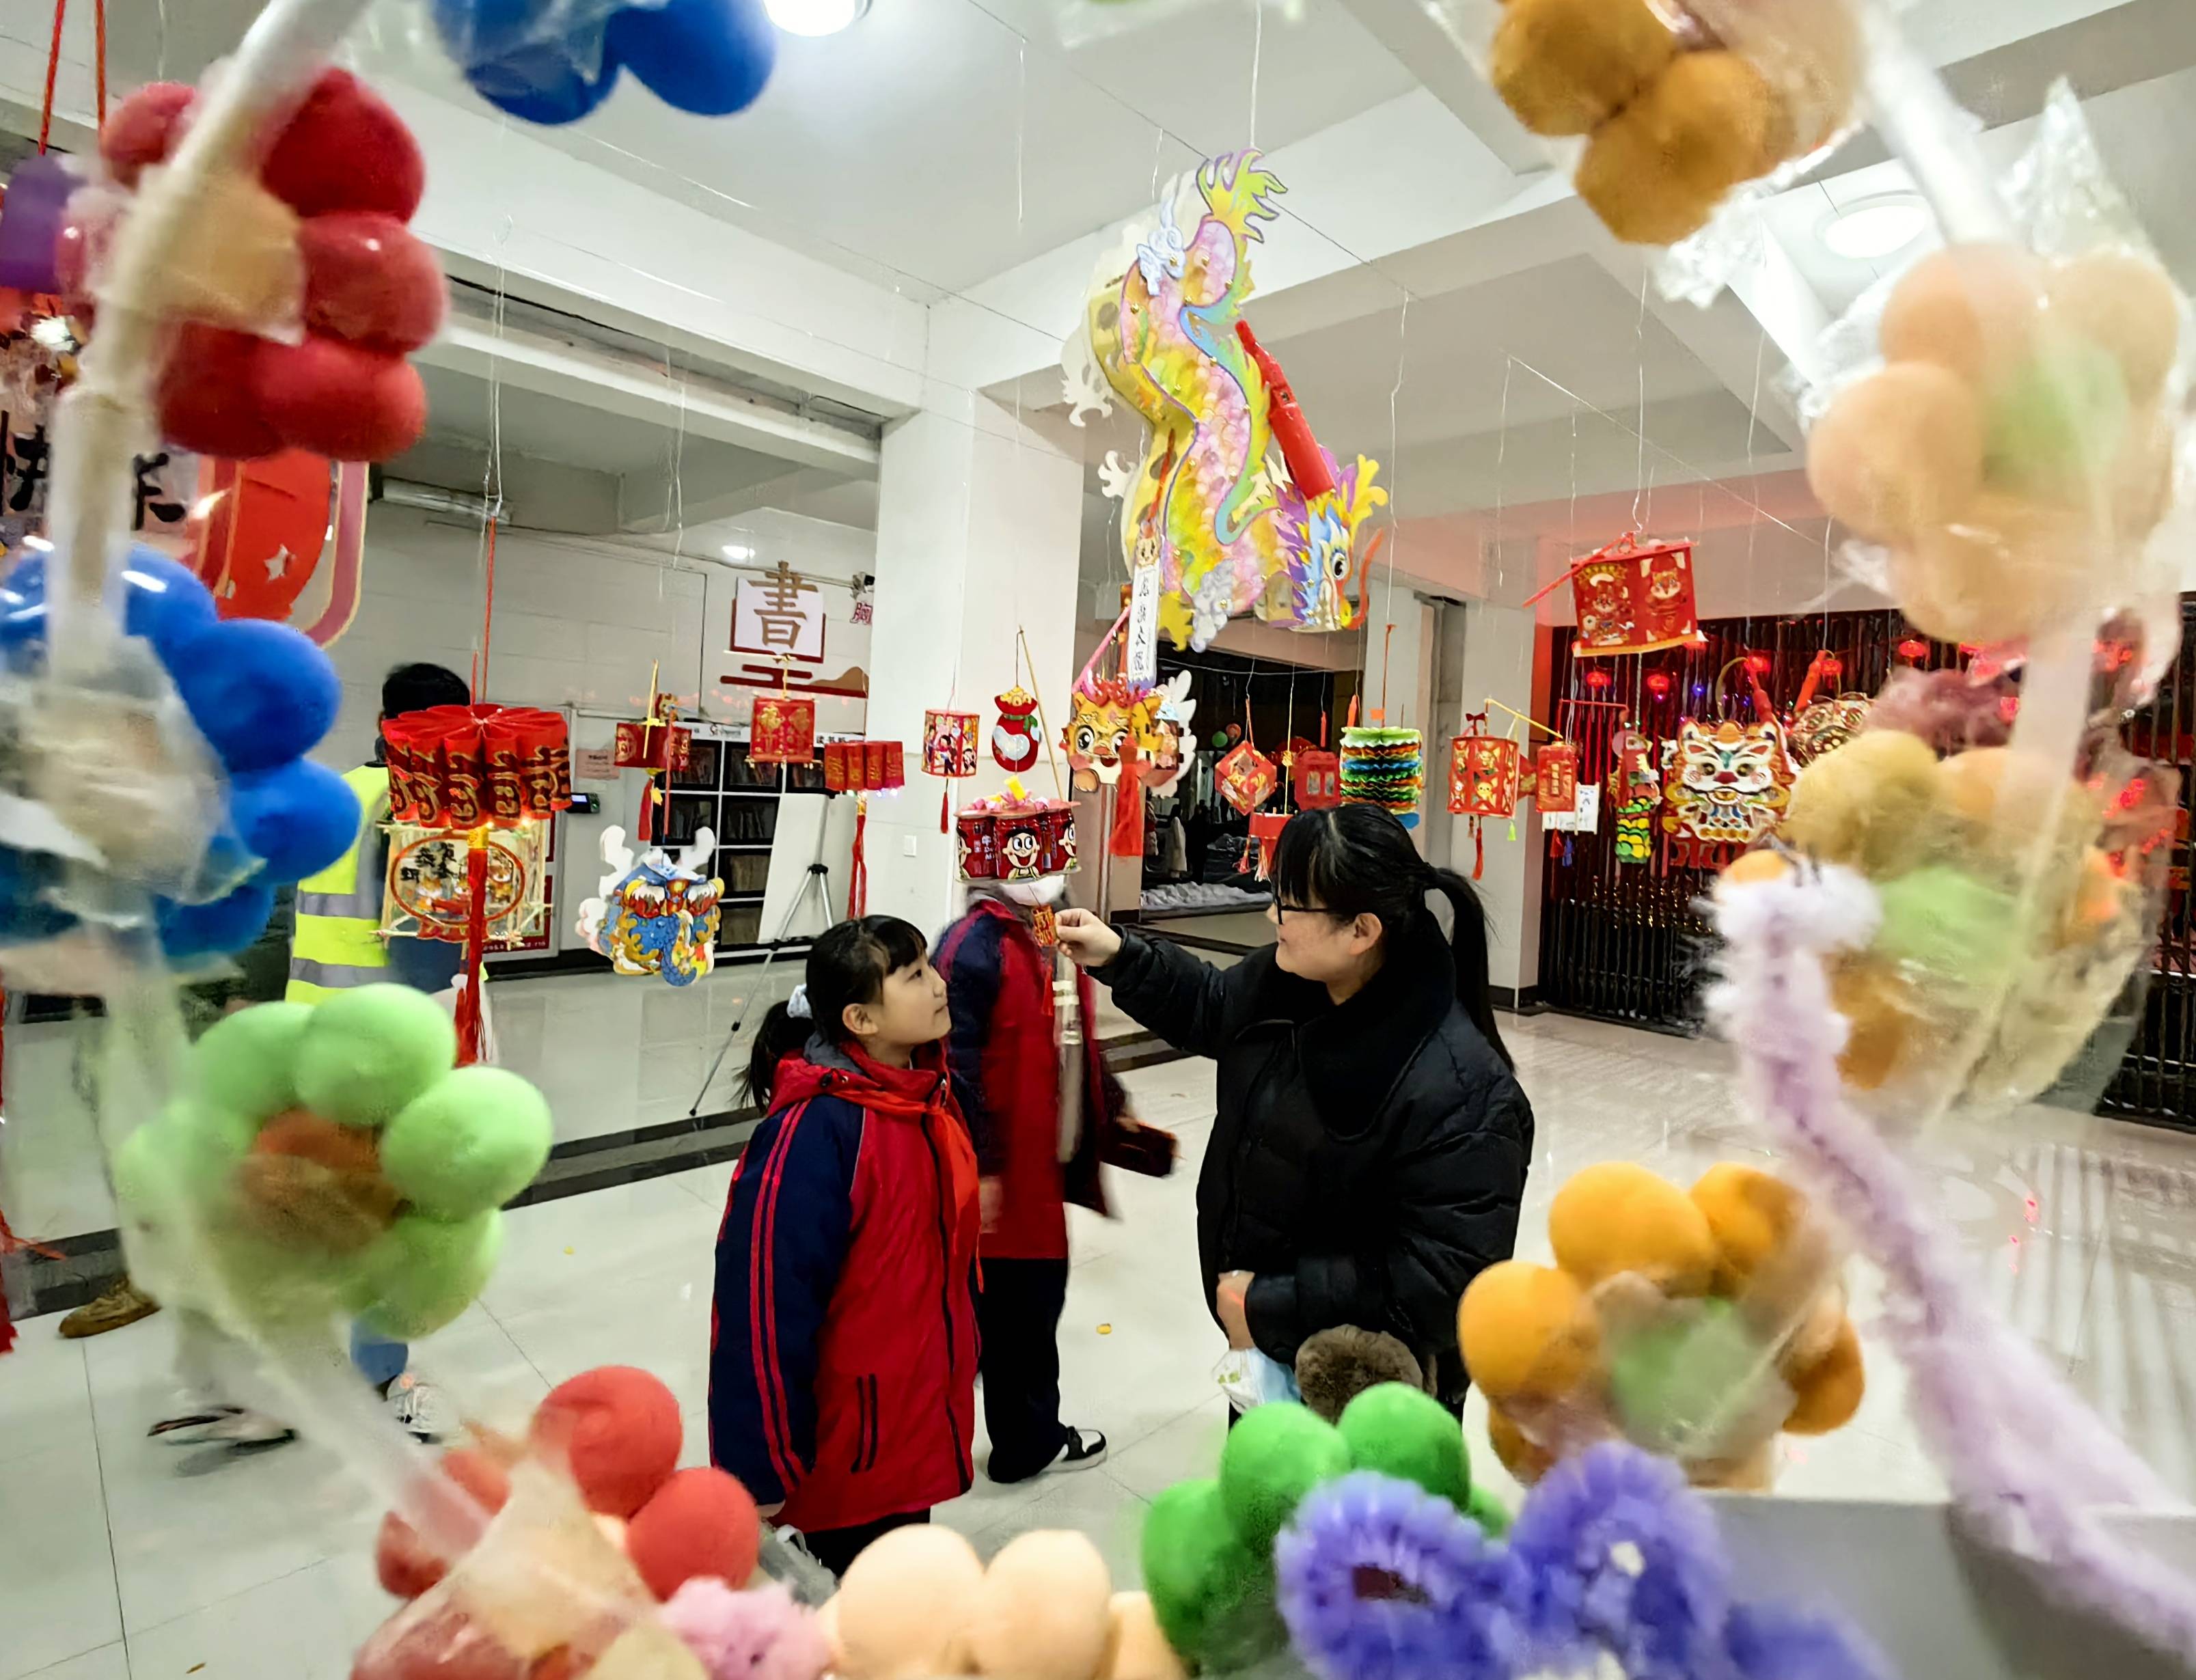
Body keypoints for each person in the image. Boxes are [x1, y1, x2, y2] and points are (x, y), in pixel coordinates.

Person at [1053, 803, 1533, 1410]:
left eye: (1290, 904)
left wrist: (1265, 1304)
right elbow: (1212, 1003)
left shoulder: (1461, 1091)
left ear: (1362, 931)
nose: (1270, 914)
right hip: (1266, 1347)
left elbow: (1442, 1280)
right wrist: (1118, 953)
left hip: (1373, 1398)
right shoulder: (1291, 981)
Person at [709, 916, 978, 1578]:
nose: (941, 985)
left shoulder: (924, 1097)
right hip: (846, 1448)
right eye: (915, 975)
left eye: (930, 967)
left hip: (908, 1418)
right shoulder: (813, 1133)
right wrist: (757, 1466)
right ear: (859, 1018)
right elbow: (762, 1308)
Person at [937, 880, 1118, 1484]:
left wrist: (1108, 1102)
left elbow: (1070, 1033)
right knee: (1019, 1311)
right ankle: (1026, 1442)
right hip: (1001, 1179)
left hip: (1037, 1168)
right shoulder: (975, 944)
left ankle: (1014, 1421)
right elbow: (952, 1062)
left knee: (1024, 1306)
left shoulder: (1047, 928)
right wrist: (982, 1165)